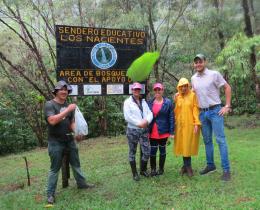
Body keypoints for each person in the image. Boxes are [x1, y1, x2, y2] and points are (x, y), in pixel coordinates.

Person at [44, 80, 94, 204]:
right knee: (55, 168)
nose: (64, 92)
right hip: (55, 142)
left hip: (69, 140)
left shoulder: (69, 106)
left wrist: (77, 133)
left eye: (66, 90)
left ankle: (82, 184)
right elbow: (52, 121)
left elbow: (71, 122)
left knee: (76, 164)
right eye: (61, 89)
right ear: (56, 91)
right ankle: (50, 194)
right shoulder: (49, 105)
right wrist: (67, 110)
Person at [191, 54, 232, 181]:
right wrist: (180, 93)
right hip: (202, 113)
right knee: (207, 141)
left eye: (200, 62)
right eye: (196, 62)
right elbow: (194, 92)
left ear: (205, 62)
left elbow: (227, 87)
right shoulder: (193, 78)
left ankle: (226, 170)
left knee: (220, 140)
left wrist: (227, 106)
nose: (198, 64)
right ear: (194, 64)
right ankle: (211, 165)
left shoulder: (214, 74)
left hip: (215, 111)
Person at [123, 82, 153, 181]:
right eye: (135, 89)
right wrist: (139, 123)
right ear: (132, 90)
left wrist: (147, 121)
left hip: (144, 130)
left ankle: (143, 170)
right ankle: (135, 173)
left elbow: (150, 113)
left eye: (138, 89)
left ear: (140, 91)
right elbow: (127, 117)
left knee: (147, 151)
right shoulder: (127, 102)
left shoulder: (143, 101)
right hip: (133, 130)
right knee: (132, 152)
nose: (136, 91)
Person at [174, 78, 201, 177]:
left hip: (189, 124)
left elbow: (195, 110)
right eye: (182, 86)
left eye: (185, 86)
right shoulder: (178, 97)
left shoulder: (193, 96)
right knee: (182, 144)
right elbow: (176, 111)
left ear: (188, 86)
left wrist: (196, 123)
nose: (184, 88)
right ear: (179, 87)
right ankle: (185, 166)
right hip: (180, 125)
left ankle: (188, 167)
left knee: (188, 144)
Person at [148, 83, 174, 176]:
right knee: (153, 151)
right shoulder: (150, 102)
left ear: (162, 90)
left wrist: (171, 132)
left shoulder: (168, 102)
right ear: (154, 91)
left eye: (159, 89)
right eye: (156, 90)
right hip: (152, 131)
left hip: (163, 130)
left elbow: (171, 117)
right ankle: (153, 170)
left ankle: (161, 169)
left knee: (162, 150)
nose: (157, 91)